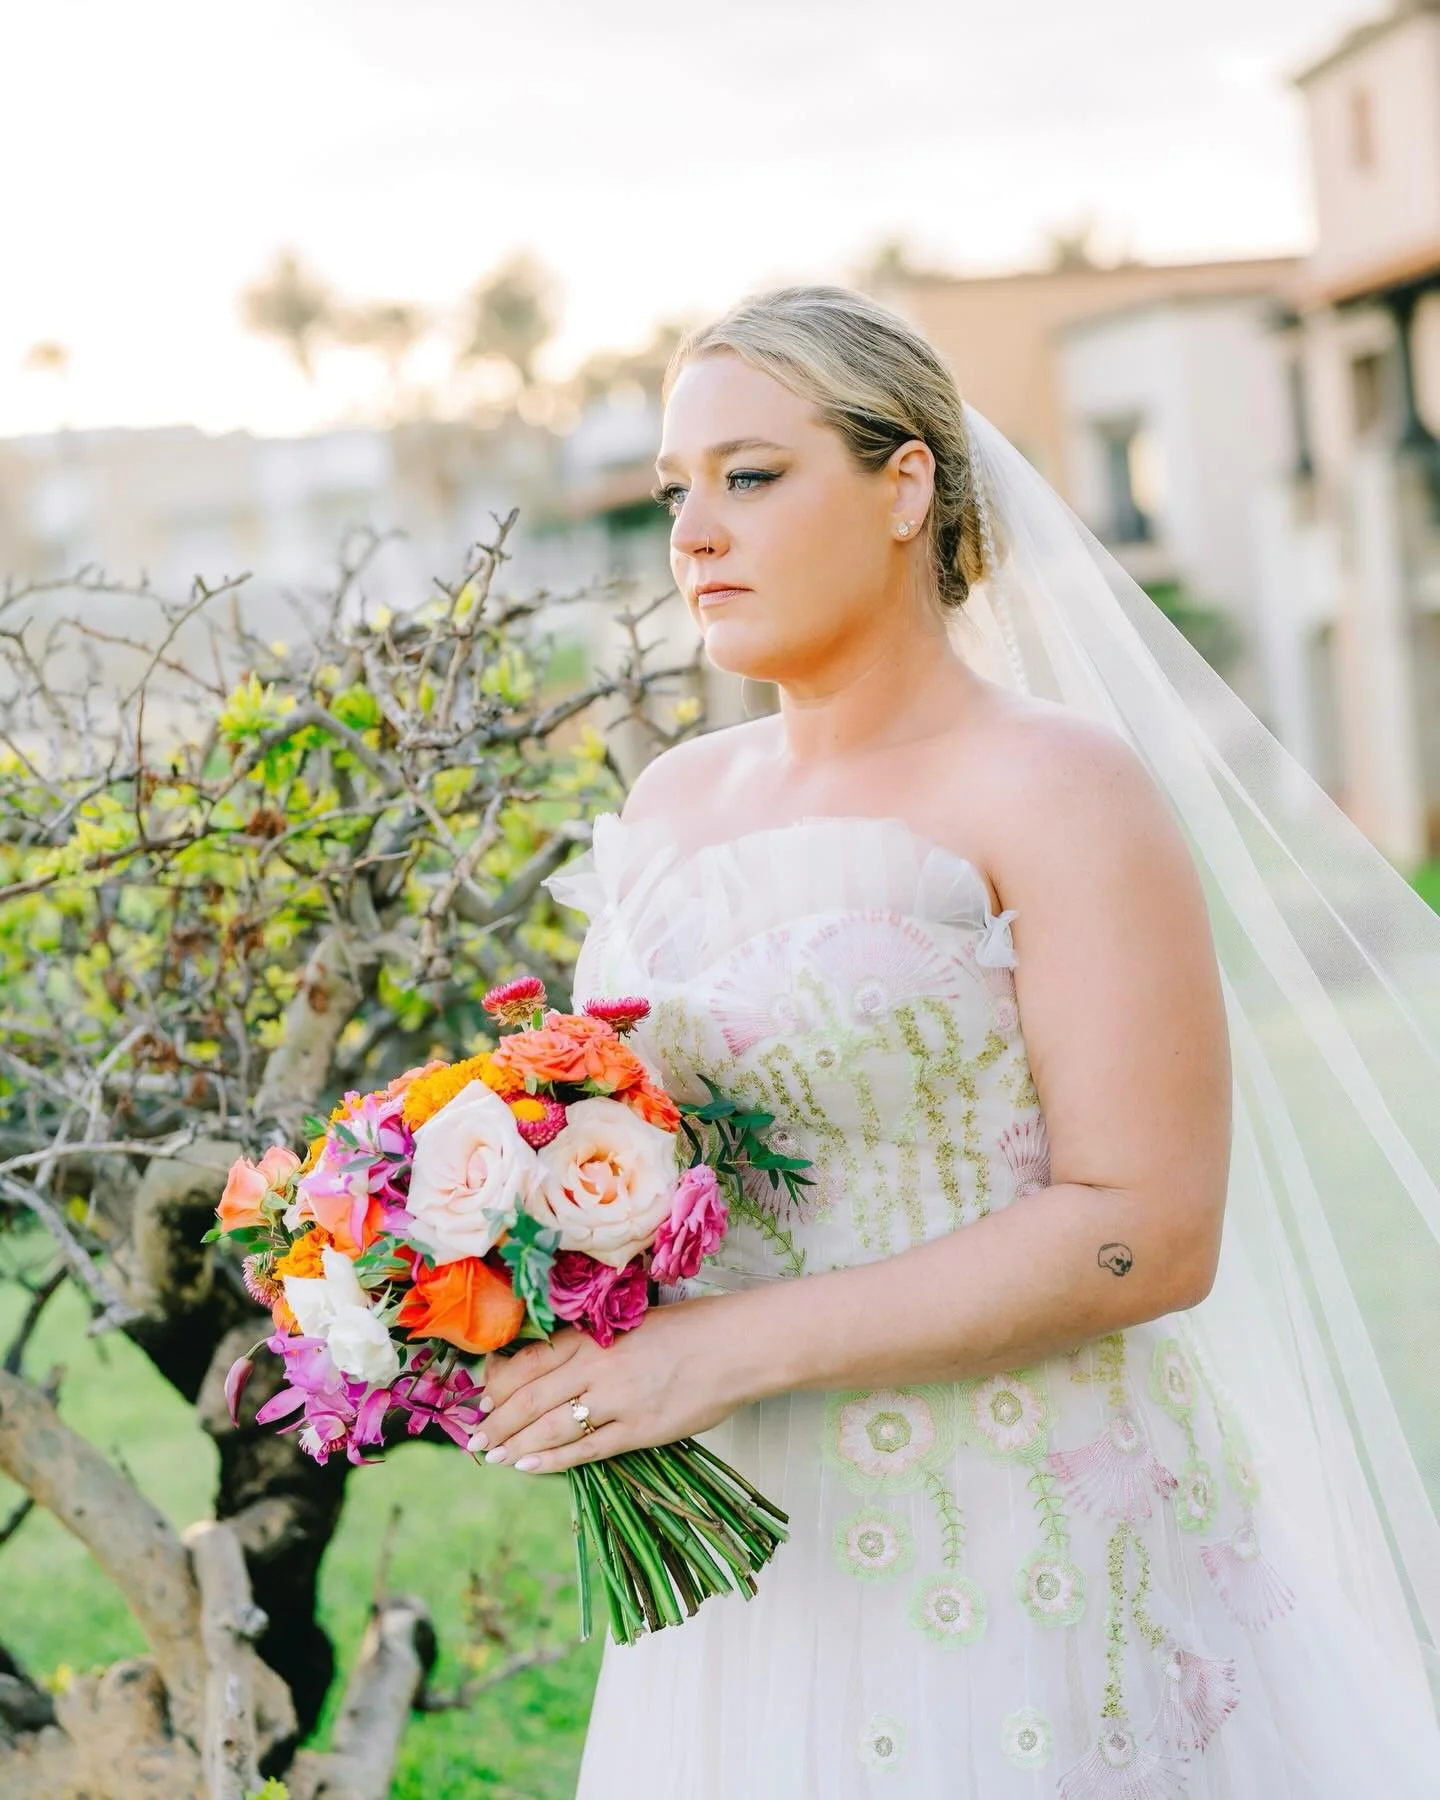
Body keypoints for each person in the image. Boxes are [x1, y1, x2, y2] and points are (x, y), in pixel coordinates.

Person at [472, 285, 1440, 1795]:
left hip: (1016, 1538)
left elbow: (1150, 1234)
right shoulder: (670, 805)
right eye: (677, 491)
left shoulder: (1057, 786)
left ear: (904, 484)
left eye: (751, 474)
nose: (694, 534)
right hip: (744, 1552)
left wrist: (718, 1353)